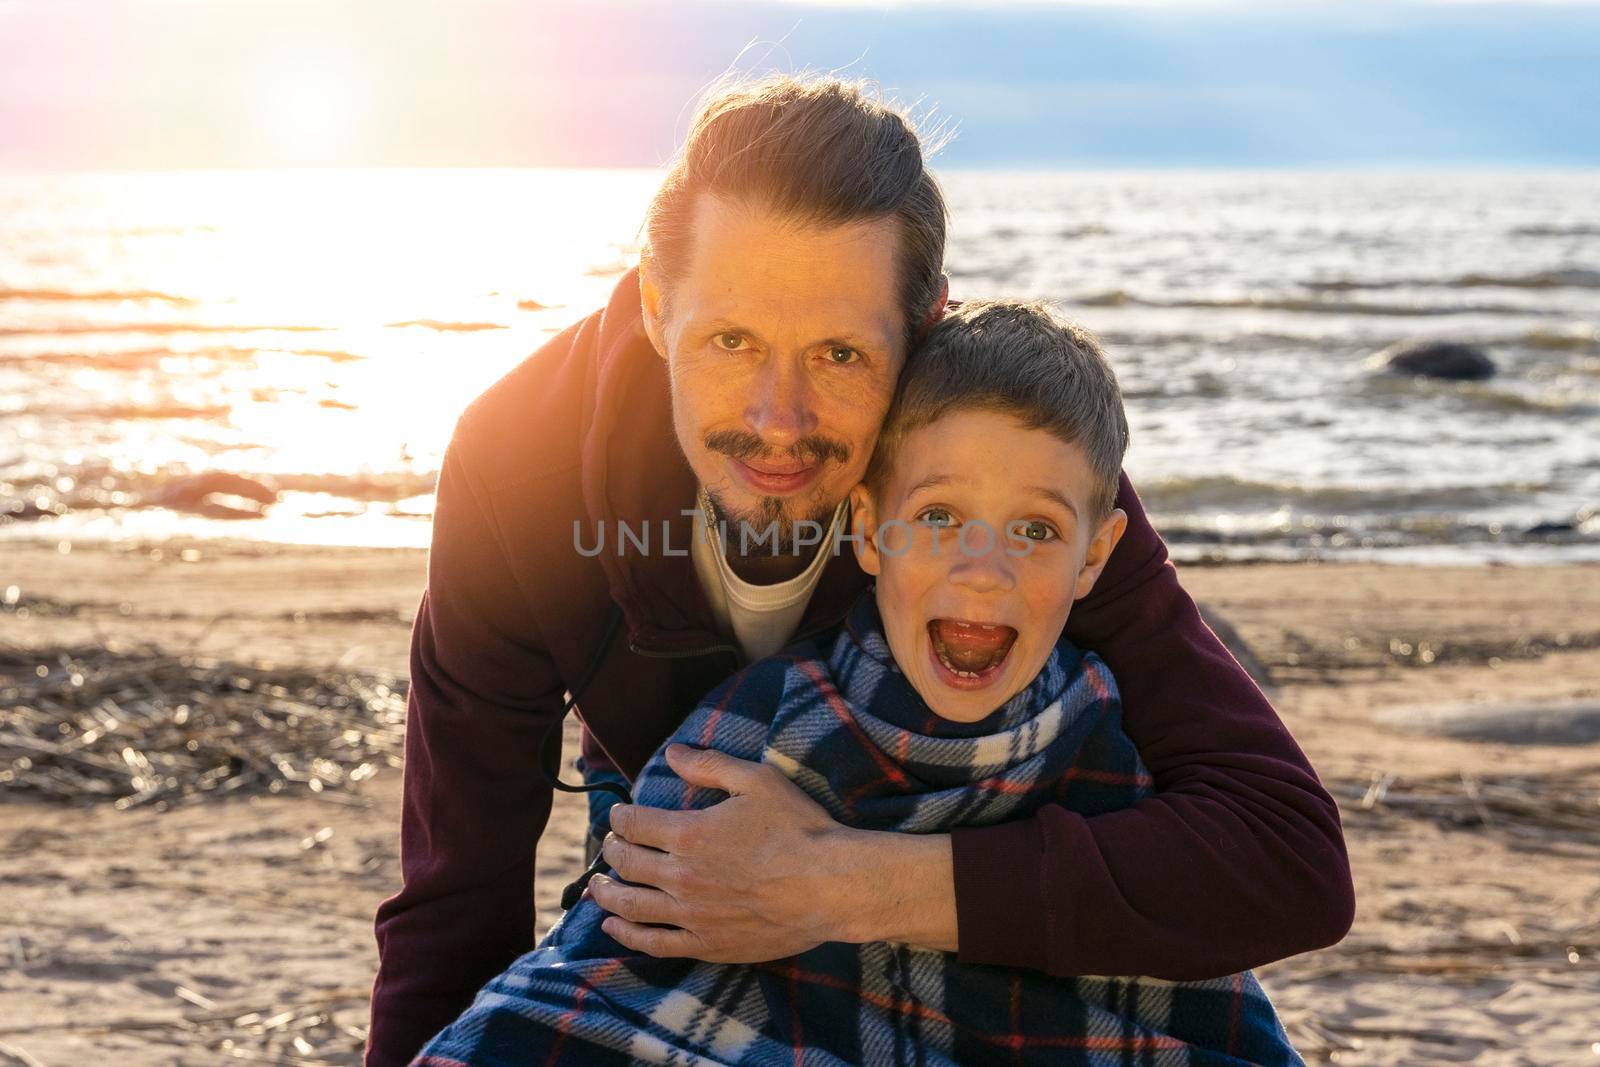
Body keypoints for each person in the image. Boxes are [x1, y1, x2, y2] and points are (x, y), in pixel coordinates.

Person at [367, 75, 1353, 1067]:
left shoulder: (995, 461)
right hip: (669, 796)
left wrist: (843, 883)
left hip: (964, 827)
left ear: (923, 324)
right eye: (731, 340)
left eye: (839, 352)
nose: (777, 419)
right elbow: (457, 897)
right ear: (658, 307)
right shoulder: (517, 462)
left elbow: (1286, 857)